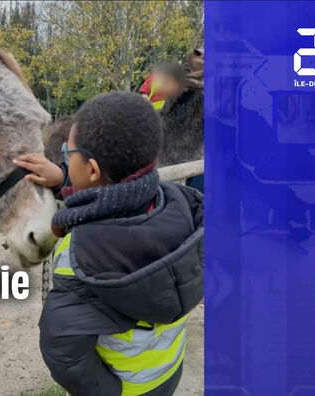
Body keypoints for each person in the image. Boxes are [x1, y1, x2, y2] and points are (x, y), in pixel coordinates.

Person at [13, 92, 204, 396]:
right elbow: (119, 193)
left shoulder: (80, 258)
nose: (64, 156)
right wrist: (65, 177)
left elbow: (63, 350)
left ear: (91, 170)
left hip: (124, 386)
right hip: (168, 369)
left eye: (67, 152)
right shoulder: (182, 207)